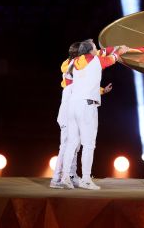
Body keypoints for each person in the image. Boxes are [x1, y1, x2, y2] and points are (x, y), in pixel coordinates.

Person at [60, 39, 128, 190]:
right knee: (89, 145)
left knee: (72, 142)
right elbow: (111, 59)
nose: (96, 49)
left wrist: (100, 90)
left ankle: (65, 177)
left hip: (73, 105)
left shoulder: (73, 62)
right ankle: (85, 179)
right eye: (95, 48)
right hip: (87, 106)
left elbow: (74, 81)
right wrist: (120, 51)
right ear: (90, 51)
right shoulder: (95, 60)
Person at [50, 42, 114, 189]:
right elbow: (81, 85)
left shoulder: (72, 65)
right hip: (70, 111)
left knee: (73, 145)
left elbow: (84, 85)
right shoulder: (76, 66)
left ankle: (69, 176)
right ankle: (57, 178)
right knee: (68, 145)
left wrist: (102, 91)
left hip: (71, 109)